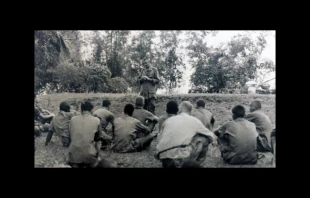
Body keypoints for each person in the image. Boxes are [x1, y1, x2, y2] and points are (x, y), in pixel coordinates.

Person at [156, 101, 214, 168]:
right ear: (191, 111)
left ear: (179, 110)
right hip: (181, 157)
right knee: (205, 138)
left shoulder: (168, 120)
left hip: (163, 156)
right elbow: (210, 135)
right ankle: (197, 164)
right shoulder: (194, 120)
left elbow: (159, 138)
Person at [68, 101, 111, 168]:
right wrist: (97, 155)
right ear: (92, 110)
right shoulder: (97, 120)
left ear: (81, 110)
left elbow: (71, 137)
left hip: (73, 157)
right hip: (89, 156)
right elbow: (98, 140)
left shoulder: (72, 119)